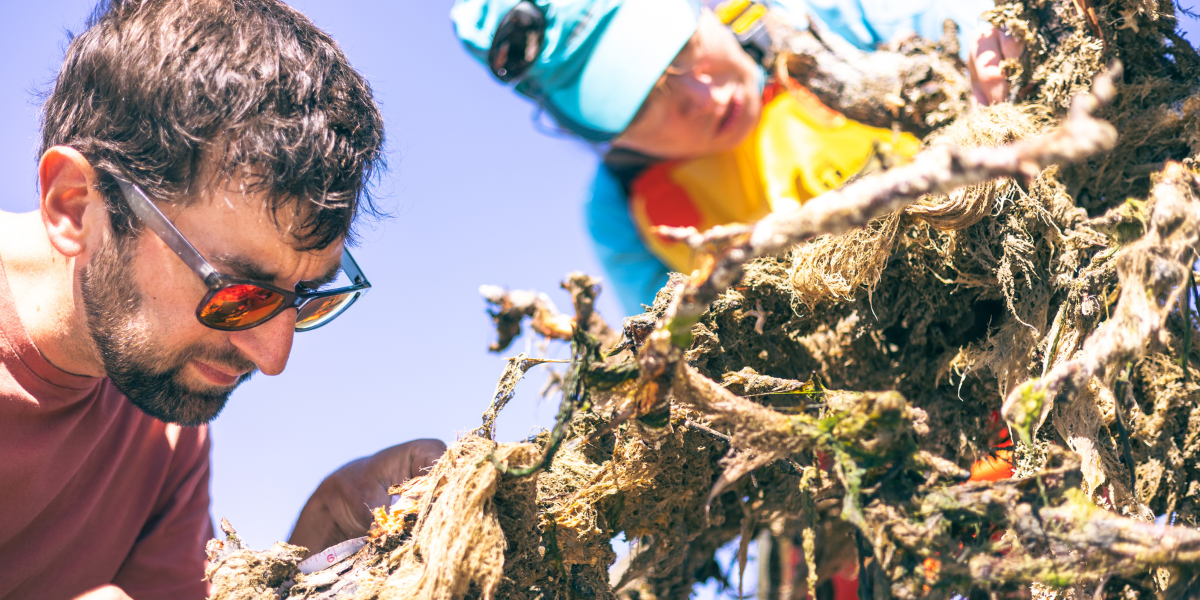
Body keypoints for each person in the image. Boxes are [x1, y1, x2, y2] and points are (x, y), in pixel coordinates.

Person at [0, 1, 445, 599]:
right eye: (238, 291)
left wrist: (319, 537)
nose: (271, 356)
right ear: (75, 205)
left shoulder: (164, 424)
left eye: (305, 298)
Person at [451, 0, 1015, 315]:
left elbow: (963, 22)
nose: (703, 98)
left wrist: (990, 44)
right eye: (644, 101)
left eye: (685, 51)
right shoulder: (621, 215)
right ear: (601, 134)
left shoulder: (820, 17)